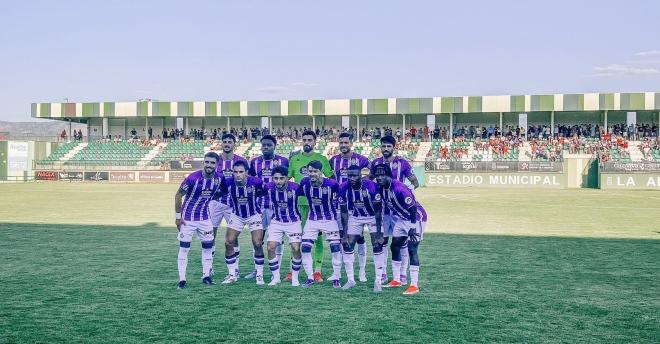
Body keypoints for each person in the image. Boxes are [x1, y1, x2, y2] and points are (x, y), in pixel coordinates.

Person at [369, 135, 419, 284]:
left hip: (399, 211)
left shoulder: (402, 163)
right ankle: (383, 272)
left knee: (401, 242)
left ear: (393, 147)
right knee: (382, 241)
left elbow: (415, 182)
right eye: (383, 146)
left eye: (388, 146)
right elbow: (370, 179)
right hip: (382, 210)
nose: (385, 149)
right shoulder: (376, 163)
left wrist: (407, 191)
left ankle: (402, 274)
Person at [373, 163, 426, 295]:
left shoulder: (399, 189)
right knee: (395, 246)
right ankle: (397, 279)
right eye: (377, 175)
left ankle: (414, 285)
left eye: (382, 174)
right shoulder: (381, 188)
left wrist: (413, 228)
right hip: (401, 219)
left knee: (412, 248)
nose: (379, 177)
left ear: (388, 175)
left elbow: (413, 208)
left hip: (416, 218)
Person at [287, 130, 333, 283]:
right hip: (299, 206)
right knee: (296, 238)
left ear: (315, 142)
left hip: (317, 206)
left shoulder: (321, 159)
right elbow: (287, 180)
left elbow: (331, 180)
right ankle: (292, 269)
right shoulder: (294, 159)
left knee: (317, 240)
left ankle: (317, 271)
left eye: (310, 140)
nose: (307, 142)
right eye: (304, 140)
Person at [174, 152, 224, 289]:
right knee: (184, 248)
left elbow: (221, 192)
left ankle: (206, 276)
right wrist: (178, 218)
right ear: (203, 163)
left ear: (217, 165)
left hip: (205, 219)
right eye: (207, 162)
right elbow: (178, 195)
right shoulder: (192, 178)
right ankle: (182, 279)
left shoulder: (219, 179)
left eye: (212, 163)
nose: (209, 165)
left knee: (208, 247)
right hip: (187, 219)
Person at [244, 135, 289, 279]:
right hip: (259, 206)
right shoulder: (255, 162)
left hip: (277, 207)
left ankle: (277, 269)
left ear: (274, 146)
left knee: (277, 240)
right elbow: (249, 180)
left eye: (269, 145)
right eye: (264, 145)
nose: (266, 147)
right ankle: (257, 270)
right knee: (257, 239)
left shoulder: (283, 161)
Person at [329, 132, 370, 281]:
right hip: (339, 204)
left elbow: (373, 171)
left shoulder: (361, 159)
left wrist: (364, 181)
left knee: (359, 238)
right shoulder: (333, 160)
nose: (343, 145)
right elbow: (330, 177)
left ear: (351, 143)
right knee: (341, 237)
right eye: (341, 143)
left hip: (356, 205)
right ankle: (338, 272)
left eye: (346, 143)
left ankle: (362, 272)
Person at [338, 165, 384, 292]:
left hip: (373, 216)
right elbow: (343, 212)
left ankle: (378, 281)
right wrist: (344, 234)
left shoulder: (371, 187)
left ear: (360, 175)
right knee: (347, 244)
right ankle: (351, 280)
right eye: (350, 176)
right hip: (356, 216)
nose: (352, 178)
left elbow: (378, 212)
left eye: (355, 175)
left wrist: (379, 233)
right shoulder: (343, 188)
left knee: (377, 245)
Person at [220, 160, 266, 285]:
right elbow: (222, 192)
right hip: (237, 215)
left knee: (257, 243)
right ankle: (232, 274)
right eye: (235, 172)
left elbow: (265, 193)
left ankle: (259, 275)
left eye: (241, 172)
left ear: (246, 172)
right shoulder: (228, 182)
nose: (238, 174)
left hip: (253, 215)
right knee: (228, 242)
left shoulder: (256, 182)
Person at [298, 160, 342, 288]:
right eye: (310, 171)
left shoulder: (332, 184)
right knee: (305, 248)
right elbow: (297, 194)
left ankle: (337, 277)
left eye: (315, 171)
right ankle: (310, 277)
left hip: (330, 219)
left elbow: (341, 197)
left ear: (321, 172)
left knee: (335, 248)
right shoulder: (304, 183)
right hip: (312, 220)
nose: (312, 174)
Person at [209, 134, 248, 276]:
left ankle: (235, 268)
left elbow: (247, 179)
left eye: (229, 142)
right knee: (210, 234)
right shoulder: (215, 160)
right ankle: (209, 266)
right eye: (224, 142)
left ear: (234, 145)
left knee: (233, 237)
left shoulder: (241, 161)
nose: (226, 144)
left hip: (233, 204)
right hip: (216, 202)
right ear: (221, 144)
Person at [264, 165, 303, 286]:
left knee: (296, 248)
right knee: (270, 247)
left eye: (281, 178)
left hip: (294, 222)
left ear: (287, 178)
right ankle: (276, 277)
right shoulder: (268, 187)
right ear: (272, 178)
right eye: (276, 178)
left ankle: (295, 278)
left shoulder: (296, 188)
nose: (278, 181)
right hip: (276, 221)